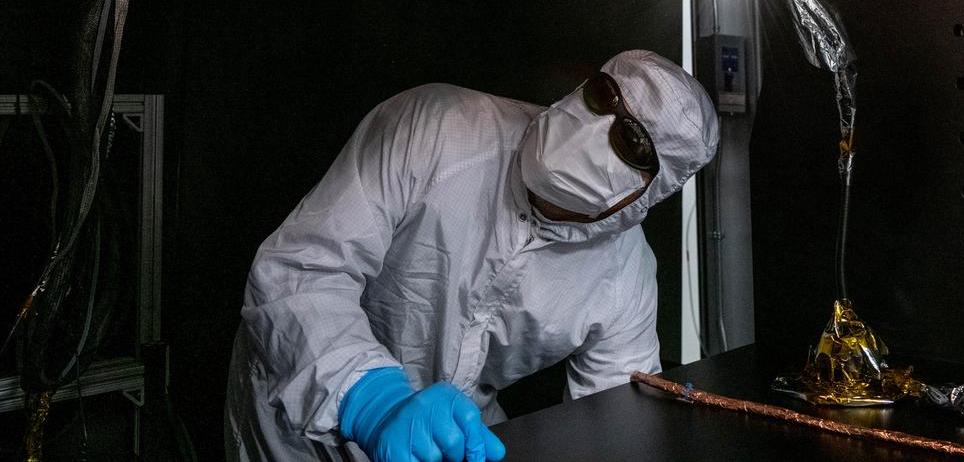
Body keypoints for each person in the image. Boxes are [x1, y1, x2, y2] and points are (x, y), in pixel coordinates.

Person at [224, 50, 719, 462]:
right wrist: (373, 401)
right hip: (302, 413)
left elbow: (616, 424)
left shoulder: (625, 277)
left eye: (631, 140)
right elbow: (301, 270)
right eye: (603, 96)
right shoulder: (436, 129)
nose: (595, 129)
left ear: (654, 190)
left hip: (456, 437)